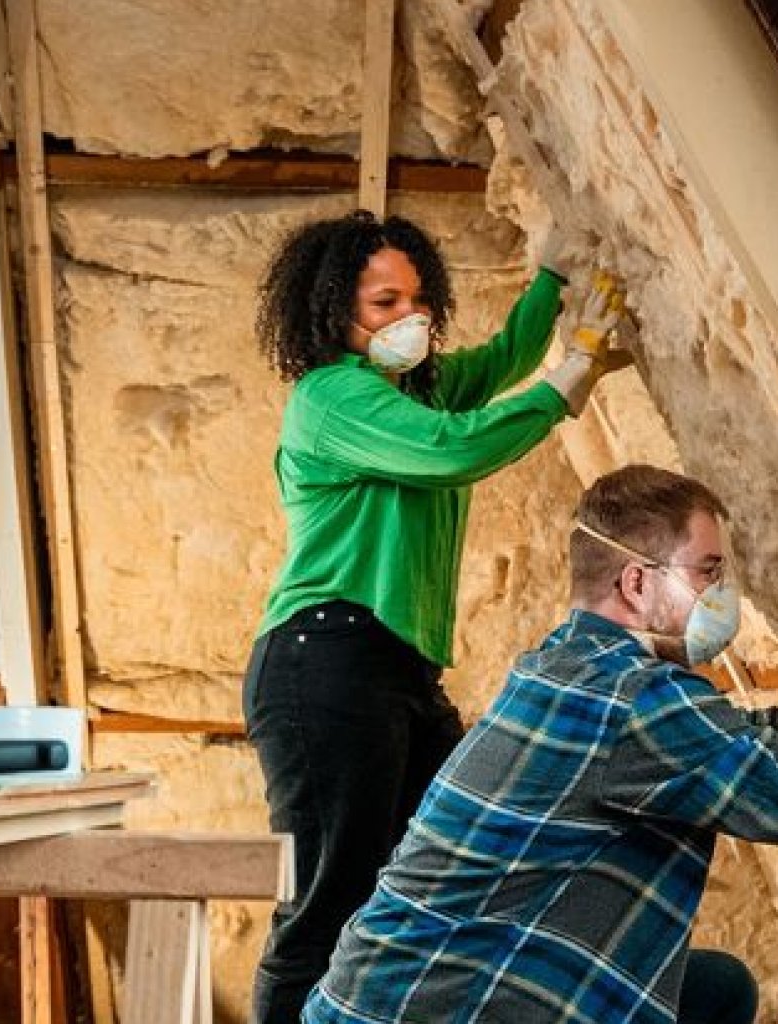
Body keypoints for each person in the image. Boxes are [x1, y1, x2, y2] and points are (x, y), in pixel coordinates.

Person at [305, 464, 778, 1024]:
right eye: (706, 571)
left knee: (713, 990)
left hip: (390, 997)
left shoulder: (573, 666)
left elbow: (736, 742)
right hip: (434, 1006)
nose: (722, 594)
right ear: (637, 581)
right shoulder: (630, 701)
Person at [245, 211, 627, 1024]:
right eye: (385, 304)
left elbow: (496, 366)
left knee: (443, 869)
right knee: (330, 899)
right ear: (331, 313)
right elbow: (456, 447)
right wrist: (571, 380)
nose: (410, 320)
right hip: (326, 662)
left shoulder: (409, 387)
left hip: (395, 672)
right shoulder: (331, 396)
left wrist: (552, 285)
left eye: (418, 300)